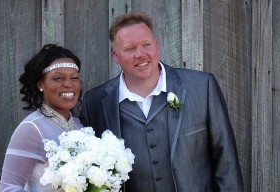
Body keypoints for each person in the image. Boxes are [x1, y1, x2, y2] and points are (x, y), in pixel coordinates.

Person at [80, 12, 244, 191]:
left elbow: (226, 161)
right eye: (130, 48)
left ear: (156, 45)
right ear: (116, 55)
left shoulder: (202, 87)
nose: (140, 54)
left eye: (146, 45)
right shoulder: (95, 103)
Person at [0, 44, 83, 191]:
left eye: (74, 78)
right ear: (40, 84)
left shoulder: (79, 126)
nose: (69, 84)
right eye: (57, 78)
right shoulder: (31, 129)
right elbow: (8, 188)